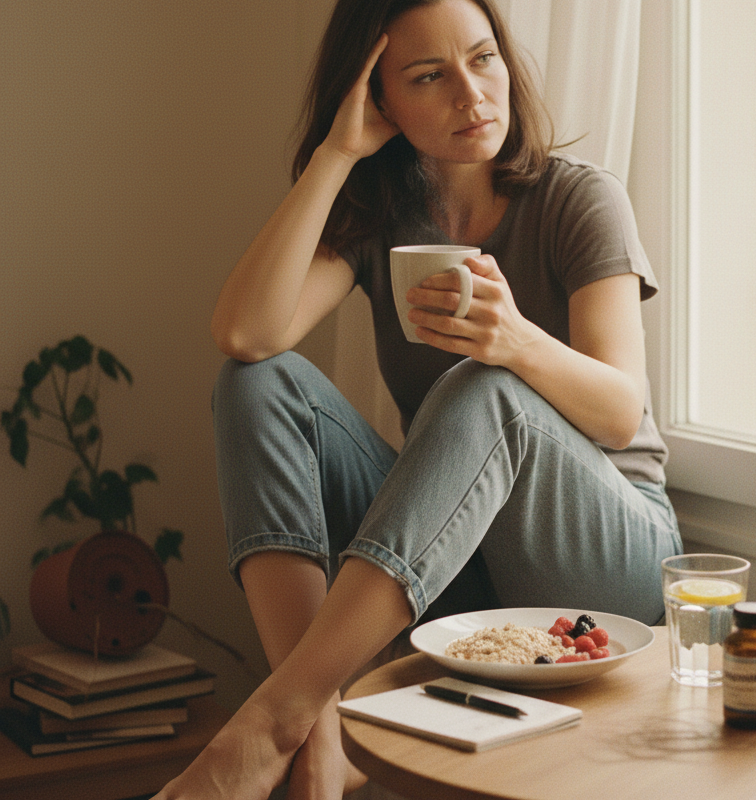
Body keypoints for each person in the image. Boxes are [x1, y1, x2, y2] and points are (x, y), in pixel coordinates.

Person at [155, 0, 682, 797]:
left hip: (610, 554)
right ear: (379, 99)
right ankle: (317, 722)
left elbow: (617, 412)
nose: (472, 96)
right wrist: (336, 154)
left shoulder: (579, 199)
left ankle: (271, 721)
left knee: (486, 385)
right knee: (258, 382)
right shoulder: (383, 220)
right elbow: (245, 335)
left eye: (483, 59)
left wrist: (514, 342)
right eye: (429, 77)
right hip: (457, 564)